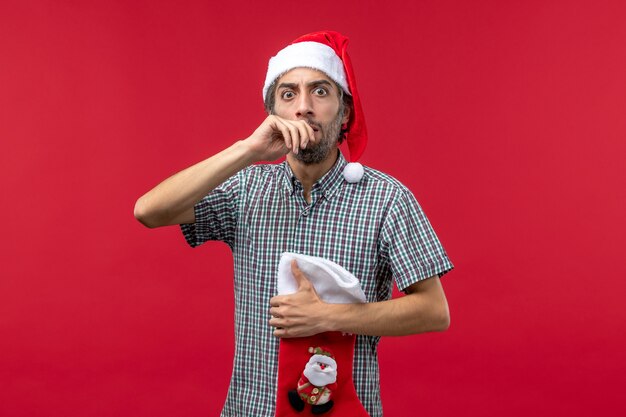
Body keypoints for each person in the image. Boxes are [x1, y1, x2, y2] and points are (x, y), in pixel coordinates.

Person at [134, 30, 453, 417]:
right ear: (274, 114)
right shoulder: (246, 189)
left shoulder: (387, 199)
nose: (304, 107)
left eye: (320, 91)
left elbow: (435, 311)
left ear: (345, 111)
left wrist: (327, 316)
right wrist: (247, 150)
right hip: (249, 409)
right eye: (289, 94)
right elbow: (149, 211)